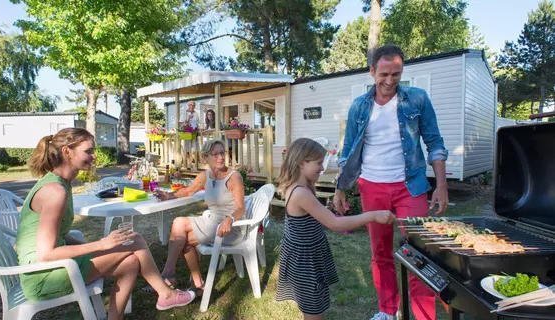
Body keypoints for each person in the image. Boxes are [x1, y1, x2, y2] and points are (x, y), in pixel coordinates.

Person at [16, 128, 195, 320]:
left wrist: (96, 248)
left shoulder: (61, 184)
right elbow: (45, 254)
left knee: (132, 262)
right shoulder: (55, 191)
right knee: (134, 239)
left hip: (56, 266)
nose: (94, 157)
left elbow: (58, 234)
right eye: (88, 151)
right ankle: (166, 294)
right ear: (67, 151)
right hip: (43, 276)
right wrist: (101, 245)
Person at [333, 45, 449, 320]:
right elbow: (348, 149)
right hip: (371, 186)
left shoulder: (417, 99)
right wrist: (340, 188)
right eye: (384, 74)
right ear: (371, 71)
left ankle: (423, 316)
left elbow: (434, 142)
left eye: (396, 74)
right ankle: (387, 310)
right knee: (381, 252)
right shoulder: (359, 106)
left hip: (410, 186)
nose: (389, 81)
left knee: (419, 253)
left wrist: (442, 185)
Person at [275, 138, 396, 320]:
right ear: (302, 163)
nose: (322, 168)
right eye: (318, 163)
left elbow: (317, 216)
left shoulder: (302, 187)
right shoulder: (300, 193)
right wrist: (373, 215)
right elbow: (335, 224)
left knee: (314, 307)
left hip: (308, 257)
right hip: (305, 263)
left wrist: (328, 209)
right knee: (314, 312)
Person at [150, 140, 246, 298]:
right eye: (215, 154)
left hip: (230, 228)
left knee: (179, 224)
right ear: (205, 157)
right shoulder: (205, 176)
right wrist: (168, 195)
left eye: (223, 153)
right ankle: (197, 284)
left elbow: (241, 209)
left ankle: (170, 274)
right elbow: (188, 191)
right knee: (183, 236)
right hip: (212, 223)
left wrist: (229, 219)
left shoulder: (233, 177)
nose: (221, 157)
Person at [184, 101, 199, 168]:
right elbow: (182, 124)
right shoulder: (185, 113)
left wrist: (198, 129)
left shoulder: (196, 113)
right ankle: (189, 164)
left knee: (195, 149)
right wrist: (188, 118)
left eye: (193, 105)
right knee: (187, 150)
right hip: (187, 133)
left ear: (194, 106)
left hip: (194, 133)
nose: (191, 106)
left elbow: (198, 123)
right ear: (188, 105)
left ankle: (196, 164)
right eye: (190, 105)